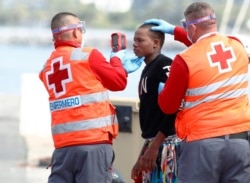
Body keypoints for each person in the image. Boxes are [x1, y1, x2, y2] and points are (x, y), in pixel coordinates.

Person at [145, 2, 250, 183]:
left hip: (203, 146)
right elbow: (208, 47)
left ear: (192, 27)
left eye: (186, 27)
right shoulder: (238, 46)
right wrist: (176, 31)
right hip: (240, 142)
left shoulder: (184, 60)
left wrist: (163, 92)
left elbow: (168, 107)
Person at [39, 12, 129, 183]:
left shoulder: (46, 69)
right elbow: (119, 82)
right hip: (92, 144)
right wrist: (117, 60)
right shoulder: (89, 56)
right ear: (75, 32)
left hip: (62, 149)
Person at [123, 23, 177, 183]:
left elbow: (175, 107)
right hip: (154, 144)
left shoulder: (164, 66)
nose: (135, 44)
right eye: (134, 40)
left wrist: (154, 147)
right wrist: (142, 156)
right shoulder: (148, 68)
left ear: (155, 43)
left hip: (168, 145)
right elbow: (151, 121)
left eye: (140, 40)